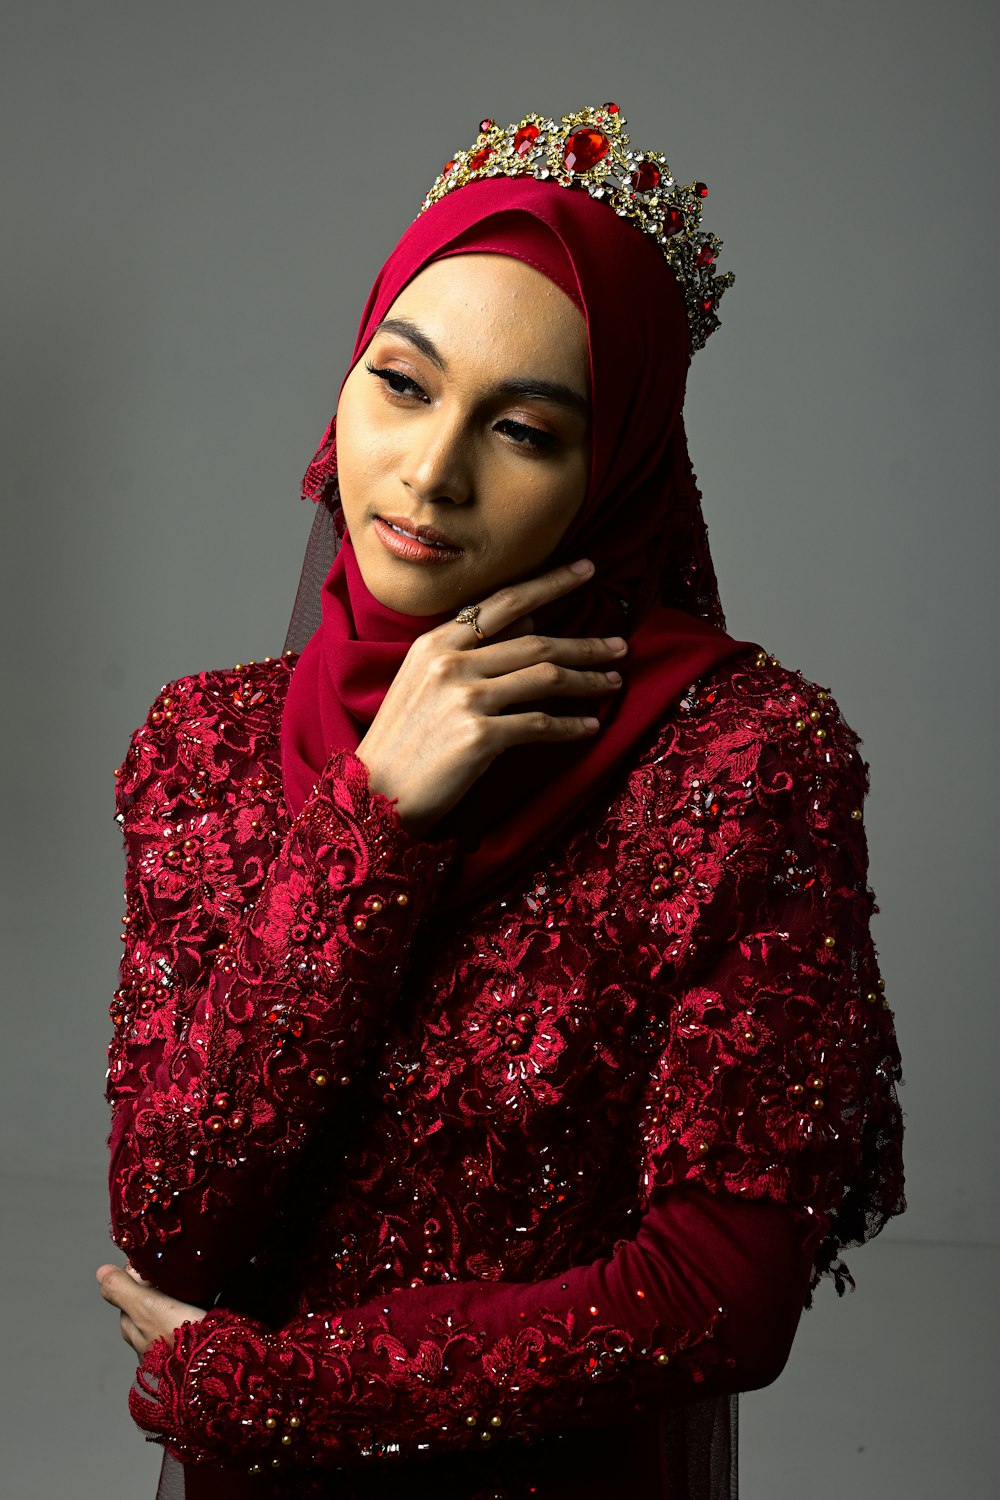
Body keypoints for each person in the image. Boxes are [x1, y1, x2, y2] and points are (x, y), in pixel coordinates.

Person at [96, 105, 905, 1500]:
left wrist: (279, 1390)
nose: (431, 472)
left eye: (523, 429)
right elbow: (177, 1219)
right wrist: (374, 819)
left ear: (619, 472)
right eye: (402, 385)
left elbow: (721, 1290)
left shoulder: (744, 761)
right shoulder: (206, 743)